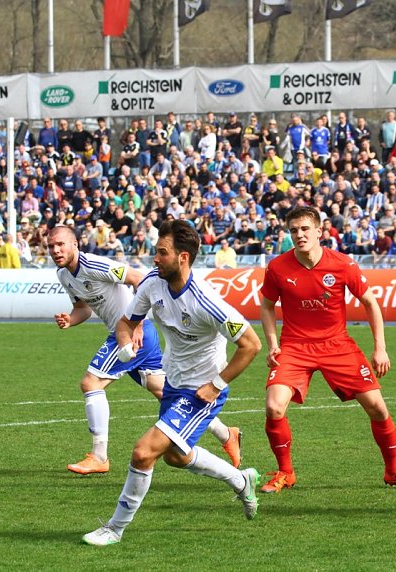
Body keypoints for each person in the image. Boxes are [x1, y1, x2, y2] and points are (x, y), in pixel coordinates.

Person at [82, 220, 262, 546]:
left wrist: (217, 384)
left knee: (142, 452)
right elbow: (127, 321)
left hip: (200, 391)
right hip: (173, 382)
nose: (154, 258)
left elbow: (251, 344)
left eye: (161, 253)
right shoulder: (153, 283)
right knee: (176, 457)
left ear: (182, 257)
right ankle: (240, 480)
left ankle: (114, 528)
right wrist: (126, 344)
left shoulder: (207, 301)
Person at [48, 225, 242, 476]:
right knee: (163, 392)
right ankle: (227, 434)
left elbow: (137, 279)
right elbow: (83, 307)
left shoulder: (95, 265)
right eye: (51, 246)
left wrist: (136, 323)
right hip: (129, 334)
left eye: (61, 244)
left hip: (132, 334)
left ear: (75, 244)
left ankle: (99, 456)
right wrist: (71, 320)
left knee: (91, 383)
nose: (55, 250)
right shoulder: (64, 275)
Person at [258, 206, 396, 494]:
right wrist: (273, 344)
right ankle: (285, 472)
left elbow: (371, 303)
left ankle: (394, 471)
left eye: (305, 229)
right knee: (273, 407)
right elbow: (267, 307)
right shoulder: (277, 268)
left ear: (319, 231)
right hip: (295, 347)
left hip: (337, 345)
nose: (299, 235)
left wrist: (380, 348)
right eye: (294, 230)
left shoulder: (342, 264)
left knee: (378, 408)